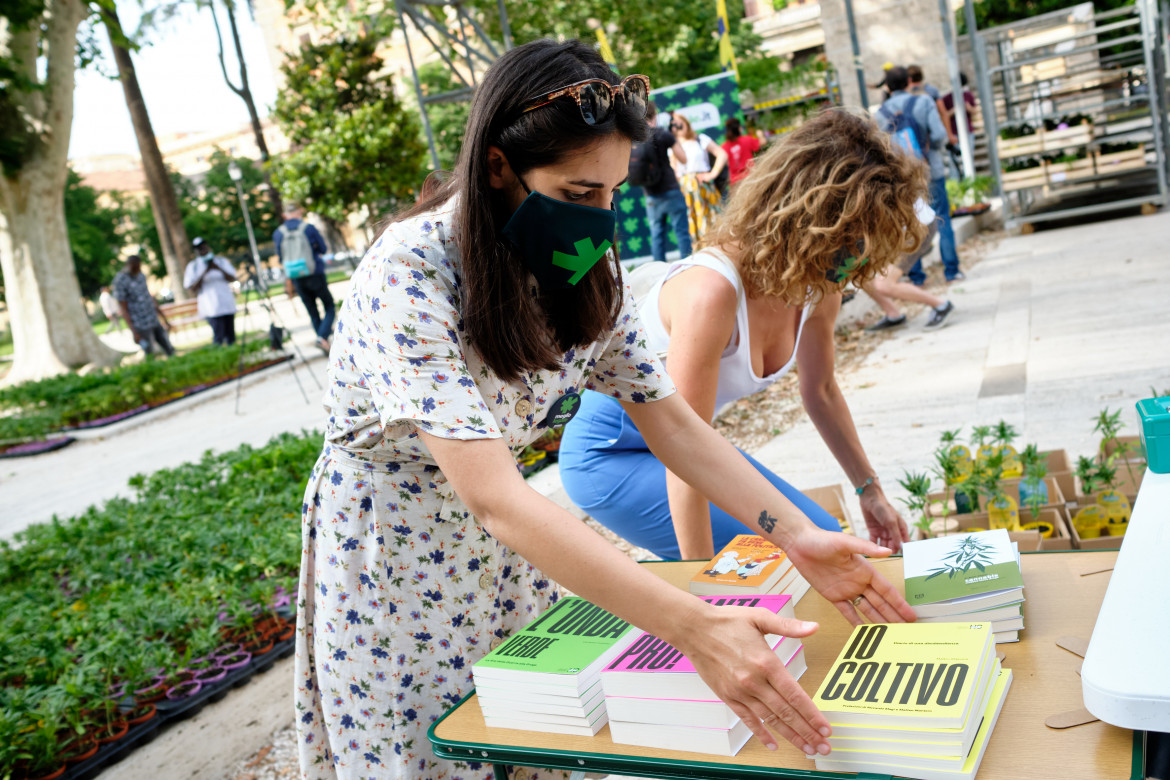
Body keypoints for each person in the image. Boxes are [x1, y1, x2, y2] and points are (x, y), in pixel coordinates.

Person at [294, 40, 915, 780]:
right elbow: (493, 496)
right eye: (578, 192)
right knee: (428, 753)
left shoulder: (586, 262)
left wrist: (797, 535)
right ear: (498, 167)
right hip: (393, 554)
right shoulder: (411, 271)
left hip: (512, 555)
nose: (600, 217)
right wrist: (694, 626)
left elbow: (673, 421)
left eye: (615, 191)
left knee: (541, 736)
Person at [559, 108, 924, 565]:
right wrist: (706, 590)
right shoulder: (710, 291)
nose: (855, 262)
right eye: (849, 240)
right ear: (808, 218)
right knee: (803, 561)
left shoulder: (817, 283)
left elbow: (823, 391)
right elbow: (683, 450)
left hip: (683, 443)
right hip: (611, 456)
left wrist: (871, 491)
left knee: (828, 539)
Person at [877, 66, 965, 285]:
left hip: (903, 179)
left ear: (887, 87)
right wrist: (925, 149)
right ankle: (952, 272)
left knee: (909, 224)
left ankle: (916, 277)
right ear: (909, 81)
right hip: (930, 169)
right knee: (942, 218)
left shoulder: (879, 114)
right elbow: (939, 136)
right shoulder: (924, 102)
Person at [860, 200, 955, 330]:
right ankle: (894, 315)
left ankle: (942, 306)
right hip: (895, 230)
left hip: (917, 228)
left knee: (884, 285)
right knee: (859, 274)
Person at [274, 203, 335, 352]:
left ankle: (323, 340)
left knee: (312, 311)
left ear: (285, 215)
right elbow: (323, 248)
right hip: (314, 273)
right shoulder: (308, 228)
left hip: (296, 277)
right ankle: (322, 338)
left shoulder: (278, 233)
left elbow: (281, 257)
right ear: (299, 212)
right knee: (329, 305)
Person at [638, 101, 692, 263]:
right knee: (681, 232)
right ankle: (686, 266)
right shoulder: (663, 134)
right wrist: (673, 138)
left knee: (656, 235)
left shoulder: (636, 137)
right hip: (671, 190)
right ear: (655, 115)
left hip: (650, 194)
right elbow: (683, 159)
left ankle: (658, 272)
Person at [668, 113, 727, 243]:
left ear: (686, 123)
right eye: (674, 124)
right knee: (692, 222)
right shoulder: (672, 146)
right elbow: (674, 170)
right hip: (685, 190)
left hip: (704, 186)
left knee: (714, 218)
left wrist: (713, 173)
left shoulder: (700, 139)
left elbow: (722, 153)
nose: (677, 125)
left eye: (680, 122)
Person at [112, 254, 175, 357]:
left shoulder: (140, 276)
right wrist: (133, 331)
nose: (138, 269)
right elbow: (123, 307)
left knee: (168, 346)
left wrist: (164, 318)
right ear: (129, 265)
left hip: (152, 318)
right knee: (149, 352)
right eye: (135, 266)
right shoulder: (120, 280)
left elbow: (149, 296)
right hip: (139, 322)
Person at [182, 236, 238, 346]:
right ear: (196, 251)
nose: (203, 249)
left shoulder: (221, 261)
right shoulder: (193, 266)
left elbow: (233, 277)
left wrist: (217, 268)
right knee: (218, 336)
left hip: (227, 303)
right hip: (211, 307)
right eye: (199, 248)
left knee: (231, 336)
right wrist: (205, 271)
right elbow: (191, 288)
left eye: (204, 247)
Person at [941, 72, 978, 176]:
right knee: (954, 160)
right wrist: (954, 110)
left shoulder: (968, 95)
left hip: (967, 131)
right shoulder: (947, 98)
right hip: (953, 132)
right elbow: (944, 115)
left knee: (969, 158)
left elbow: (975, 111)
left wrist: (968, 108)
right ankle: (956, 181)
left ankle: (970, 178)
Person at [721, 116, 761, 187]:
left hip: (735, 182)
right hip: (751, 177)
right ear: (738, 128)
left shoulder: (724, 147)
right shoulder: (747, 140)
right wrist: (760, 135)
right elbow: (762, 143)